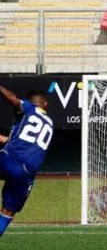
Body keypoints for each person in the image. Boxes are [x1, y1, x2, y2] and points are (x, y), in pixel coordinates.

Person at [0, 86, 54, 237]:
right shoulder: (49, 123)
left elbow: (13, 99)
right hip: (25, 172)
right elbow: (16, 141)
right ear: (46, 105)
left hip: (8, 158)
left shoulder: (29, 109)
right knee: (7, 212)